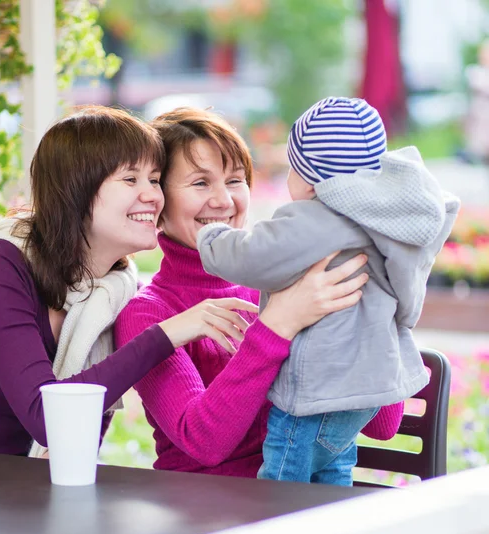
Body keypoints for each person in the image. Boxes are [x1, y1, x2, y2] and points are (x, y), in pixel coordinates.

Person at [0, 106, 259, 534]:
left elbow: (83, 440)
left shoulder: (114, 291)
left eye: (154, 177)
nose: (151, 194)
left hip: (22, 512)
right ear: (78, 189)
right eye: (131, 178)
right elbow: (50, 418)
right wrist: (167, 334)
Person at [115, 106, 402, 480]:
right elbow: (204, 443)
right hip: (202, 513)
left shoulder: (296, 281)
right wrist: (279, 324)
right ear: (158, 201)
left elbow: (383, 424)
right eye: (200, 183)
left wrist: (371, 302)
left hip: (301, 506)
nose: (223, 201)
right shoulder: (148, 313)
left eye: (235, 181)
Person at [197, 97, 460, 485]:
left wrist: (212, 236)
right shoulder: (386, 222)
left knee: (282, 483)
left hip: (316, 389)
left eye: (293, 166)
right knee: (334, 470)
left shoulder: (319, 218)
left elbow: (254, 255)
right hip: (363, 393)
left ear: (310, 177)